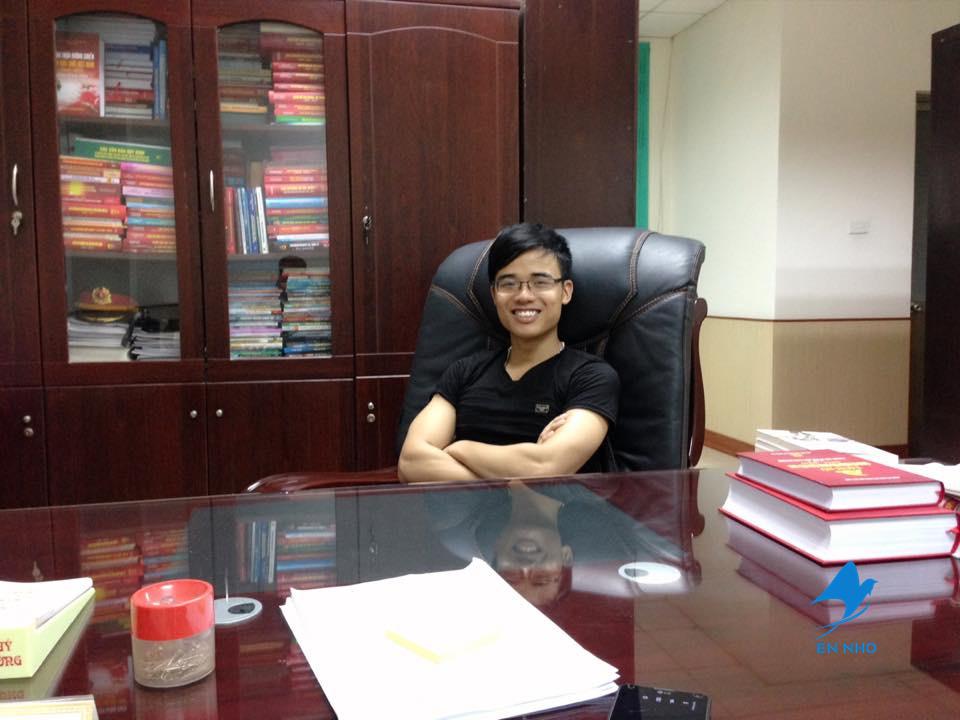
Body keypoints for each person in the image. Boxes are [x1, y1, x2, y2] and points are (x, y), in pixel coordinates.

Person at [398, 222, 620, 483]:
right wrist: (515, 484)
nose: (524, 296)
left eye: (540, 282)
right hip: (467, 511)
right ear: (494, 294)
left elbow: (545, 466)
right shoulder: (465, 372)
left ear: (565, 291)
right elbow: (410, 462)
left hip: (555, 512)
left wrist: (460, 448)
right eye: (509, 283)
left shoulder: (591, 377)